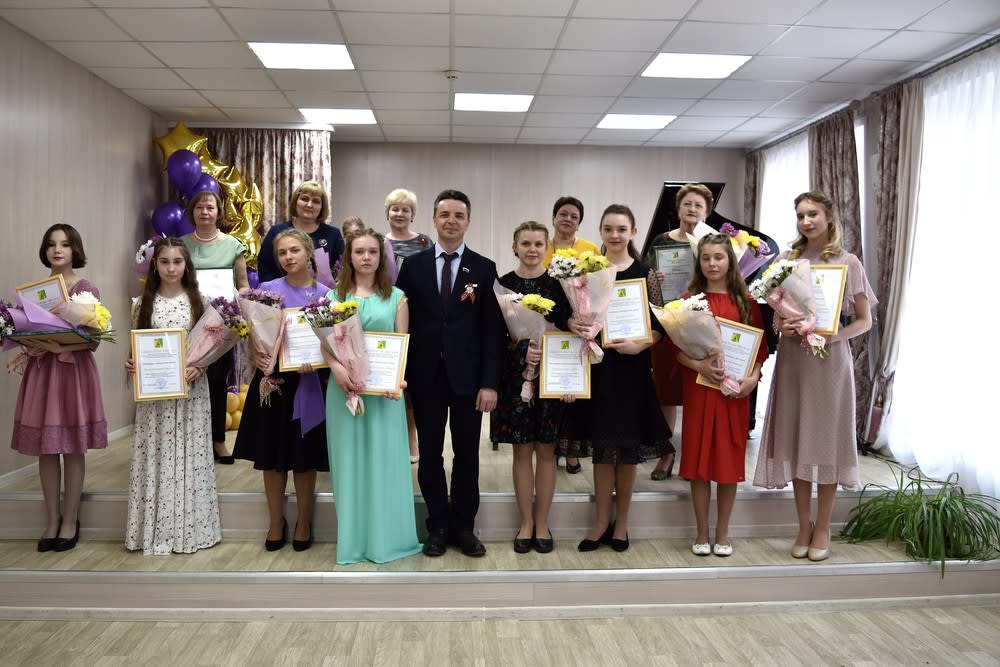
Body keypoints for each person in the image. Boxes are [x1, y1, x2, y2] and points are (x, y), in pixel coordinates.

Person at [753, 191, 876, 562]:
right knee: (798, 440)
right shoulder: (787, 260)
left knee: (825, 443)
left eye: (813, 214)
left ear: (829, 216)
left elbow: (865, 321)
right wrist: (784, 327)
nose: (806, 221)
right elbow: (777, 317)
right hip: (794, 361)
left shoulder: (848, 262)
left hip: (830, 362)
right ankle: (803, 525)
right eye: (801, 216)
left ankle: (823, 526)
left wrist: (831, 337)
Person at [395, 189, 504, 558]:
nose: (451, 221)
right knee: (429, 455)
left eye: (459, 215)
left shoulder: (484, 268)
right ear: (434, 220)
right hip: (425, 377)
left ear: (468, 222)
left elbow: (492, 332)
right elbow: (402, 325)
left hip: (469, 381)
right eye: (444, 214)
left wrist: (489, 383)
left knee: (467, 455)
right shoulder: (413, 267)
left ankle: (464, 527)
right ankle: (438, 526)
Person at [574, 204, 673, 553]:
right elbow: (576, 315)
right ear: (600, 232)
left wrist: (640, 345)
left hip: (632, 369)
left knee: (627, 451)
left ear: (633, 232)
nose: (614, 235)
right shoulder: (588, 273)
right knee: (602, 450)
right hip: (598, 368)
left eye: (621, 229)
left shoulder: (646, 273)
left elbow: (660, 325)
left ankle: (622, 525)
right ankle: (601, 522)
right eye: (608, 229)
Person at [323, 228, 422, 565]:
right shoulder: (333, 298)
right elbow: (325, 345)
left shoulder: (397, 298)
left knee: (384, 463)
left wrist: (398, 380)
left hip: (383, 396)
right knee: (349, 465)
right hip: (343, 392)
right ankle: (354, 542)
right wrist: (337, 370)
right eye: (359, 251)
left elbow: (400, 346)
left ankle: (388, 540)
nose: (366, 257)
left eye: (372, 252)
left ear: (382, 257)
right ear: (348, 257)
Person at [233, 229, 332, 552]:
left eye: (294, 251)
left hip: (308, 383)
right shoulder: (266, 291)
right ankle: (276, 521)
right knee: (271, 457)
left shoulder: (326, 295)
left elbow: (332, 341)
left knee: (304, 459)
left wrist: (317, 360)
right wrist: (258, 352)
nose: (288, 257)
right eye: (282, 253)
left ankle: (303, 521)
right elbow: (253, 332)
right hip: (273, 383)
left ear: (309, 253)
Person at [11, 224, 108, 552]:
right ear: (45, 250)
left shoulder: (87, 289)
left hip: (73, 373)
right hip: (42, 372)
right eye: (51, 244)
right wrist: (28, 341)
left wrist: (59, 347)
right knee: (47, 448)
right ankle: (52, 520)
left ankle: (70, 520)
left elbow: (95, 339)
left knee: (73, 448)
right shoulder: (34, 292)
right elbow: (27, 331)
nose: (57, 250)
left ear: (74, 250)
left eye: (65, 244)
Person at [125, 238, 221, 555]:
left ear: (186, 265)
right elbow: (136, 350)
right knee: (158, 455)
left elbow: (210, 349)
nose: (171, 268)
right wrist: (132, 364)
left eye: (177, 261)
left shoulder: (202, 302)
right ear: (154, 265)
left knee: (189, 455)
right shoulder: (140, 304)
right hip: (155, 399)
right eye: (164, 261)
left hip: (191, 394)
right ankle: (155, 531)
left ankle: (190, 530)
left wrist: (200, 367)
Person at [674, 234, 767, 557]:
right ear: (698, 263)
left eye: (719, 257)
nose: (712, 264)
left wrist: (752, 380)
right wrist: (699, 365)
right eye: (706, 258)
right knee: (699, 462)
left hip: (733, 394)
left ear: (730, 262)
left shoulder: (747, 302)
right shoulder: (689, 300)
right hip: (700, 389)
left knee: (728, 462)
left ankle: (723, 533)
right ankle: (701, 532)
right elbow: (676, 351)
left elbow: (759, 350)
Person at [490, 221, 574, 554]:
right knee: (522, 451)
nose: (532, 249)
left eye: (538, 244)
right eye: (525, 243)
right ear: (515, 247)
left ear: (546, 247)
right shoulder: (503, 286)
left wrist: (569, 374)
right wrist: (522, 350)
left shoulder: (560, 286)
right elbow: (494, 337)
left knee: (547, 451)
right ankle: (525, 522)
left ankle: (542, 523)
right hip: (515, 379)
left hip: (552, 378)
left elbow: (570, 332)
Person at [648, 182, 713, 481]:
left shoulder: (713, 242)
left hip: (701, 324)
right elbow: (647, 282)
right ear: (678, 209)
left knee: (699, 392)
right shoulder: (661, 241)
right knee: (666, 391)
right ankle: (667, 453)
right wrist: (655, 278)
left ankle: (695, 456)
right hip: (668, 322)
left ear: (707, 211)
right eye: (687, 204)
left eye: (698, 205)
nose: (692, 209)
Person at [180, 190, 249, 464]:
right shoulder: (181, 245)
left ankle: (218, 442)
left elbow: (242, 285)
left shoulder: (233, 245)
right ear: (192, 212)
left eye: (210, 207)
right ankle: (189, 443)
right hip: (188, 321)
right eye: (199, 207)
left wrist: (240, 311)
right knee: (187, 380)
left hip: (220, 324)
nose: (205, 212)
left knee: (218, 382)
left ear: (219, 212)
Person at [543, 196, 599, 475]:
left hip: (580, 329)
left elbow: (599, 288)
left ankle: (573, 453)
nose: (567, 219)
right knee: (552, 393)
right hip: (549, 326)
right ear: (553, 218)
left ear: (579, 223)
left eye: (573, 216)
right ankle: (551, 450)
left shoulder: (590, 250)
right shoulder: (542, 246)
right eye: (562, 214)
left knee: (576, 395)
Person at [383, 188, 431, 464]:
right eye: (395, 208)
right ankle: (390, 438)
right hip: (384, 315)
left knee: (410, 379)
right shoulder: (378, 242)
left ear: (413, 215)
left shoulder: (425, 242)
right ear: (387, 213)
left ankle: (412, 437)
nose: (400, 213)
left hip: (417, 317)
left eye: (405, 209)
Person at [258, 181, 344, 284]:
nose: (309, 205)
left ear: (322, 207)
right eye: (304, 199)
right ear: (295, 202)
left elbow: (342, 270)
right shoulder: (276, 232)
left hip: (324, 293)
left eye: (316, 201)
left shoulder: (333, 234)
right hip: (280, 292)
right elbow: (265, 270)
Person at [342, 216, 397, 284]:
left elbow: (391, 273)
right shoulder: (344, 253)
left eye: (372, 252)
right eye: (349, 236)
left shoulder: (381, 244)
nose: (366, 257)